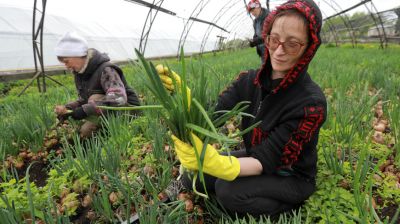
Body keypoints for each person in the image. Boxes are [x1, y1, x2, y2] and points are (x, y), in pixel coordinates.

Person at [160, 0, 326, 218]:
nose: (278, 50)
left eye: (292, 44)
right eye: (274, 39)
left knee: (227, 190)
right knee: (195, 176)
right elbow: (213, 112)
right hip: (255, 154)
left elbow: (264, 161)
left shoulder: (310, 103)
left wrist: (219, 164)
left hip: (290, 175)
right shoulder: (249, 80)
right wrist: (184, 99)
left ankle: (287, 208)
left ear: (308, 49)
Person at [54, 31, 140, 138]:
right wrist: (68, 108)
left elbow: (118, 100)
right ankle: (103, 135)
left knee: (86, 130)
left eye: (67, 61)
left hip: (128, 112)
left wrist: (85, 110)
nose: (66, 66)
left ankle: (113, 137)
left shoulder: (106, 69)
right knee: (80, 128)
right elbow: (84, 99)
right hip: (108, 111)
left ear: (78, 55)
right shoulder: (81, 73)